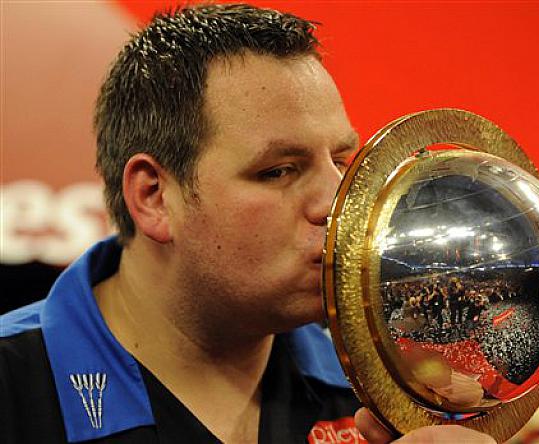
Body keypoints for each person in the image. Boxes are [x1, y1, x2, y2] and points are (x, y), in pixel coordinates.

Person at [0, 4, 495, 443]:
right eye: (278, 171)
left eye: (343, 162)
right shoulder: (13, 386)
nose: (337, 202)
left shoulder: (387, 398)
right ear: (153, 197)